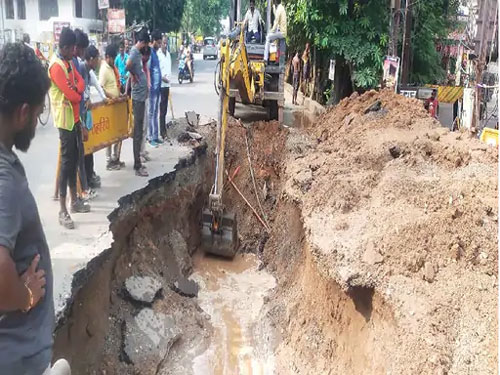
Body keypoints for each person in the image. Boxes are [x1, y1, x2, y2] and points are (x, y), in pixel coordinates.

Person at [0, 42, 71, 374]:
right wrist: (25, 296)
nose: (37, 122)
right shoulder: (4, 179)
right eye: (39, 113)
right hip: (18, 358)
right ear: (22, 113)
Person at [49, 27, 89, 229]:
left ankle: (75, 202)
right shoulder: (56, 66)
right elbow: (74, 95)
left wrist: (76, 90)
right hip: (64, 123)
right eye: (72, 47)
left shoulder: (68, 62)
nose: (75, 51)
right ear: (64, 47)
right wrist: (76, 92)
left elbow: (80, 84)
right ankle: (63, 210)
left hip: (74, 120)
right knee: (66, 167)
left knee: (73, 162)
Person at [73, 29, 98, 201]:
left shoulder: (75, 63)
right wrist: (81, 122)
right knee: (76, 157)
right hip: (72, 118)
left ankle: (83, 188)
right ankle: (79, 192)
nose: (83, 54)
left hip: (78, 114)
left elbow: (82, 92)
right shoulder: (75, 64)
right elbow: (77, 94)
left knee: (81, 154)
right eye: (82, 50)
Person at [81, 45, 108, 189]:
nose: (98, 62)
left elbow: (97, 85)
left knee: (89, 149)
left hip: (87, 115)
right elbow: (78, 95)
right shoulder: (80, 69)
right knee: (83, 151)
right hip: (80, 117)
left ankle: (90, 176)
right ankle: (84, 185)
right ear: (91, 59)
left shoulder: (88, 71)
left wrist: (103, 97)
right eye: (97, 59)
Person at [126, 28, 150, 177]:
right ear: (143, 42)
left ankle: (138, 162)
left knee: (140, 130)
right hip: (138, 98)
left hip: (141, 95)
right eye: (145, 44)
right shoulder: (134, 52)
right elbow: (128, 65)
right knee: (138, 130)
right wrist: (134, 75)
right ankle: (137, 165)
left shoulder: (137, 53)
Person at [100, 44, 125, 170]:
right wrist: (112, 97)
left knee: (118, 133)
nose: (113, 60)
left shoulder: (112, 68)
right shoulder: (104, 69)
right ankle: (109, 160)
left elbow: (116, 84)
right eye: (112, 58)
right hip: (110, 106)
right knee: (110, 135)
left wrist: (120, 95)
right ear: (107, 57)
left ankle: (116, 158)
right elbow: (101, 88)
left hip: (117, 105)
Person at [148, 30, 163, 147]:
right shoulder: (150, 54)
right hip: (152, 89)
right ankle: (151, 137)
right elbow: (148, 70)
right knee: (151, 112)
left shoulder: (155, 53)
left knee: (155, 112)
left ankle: (156, 136)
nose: (160, 45)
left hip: (157, 89)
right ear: (153, 41)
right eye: (158, 43)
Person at [158, 36, 172, 140]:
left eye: (166, 43)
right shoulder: (158, 55)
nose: (165, 45)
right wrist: (163, 78)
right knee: (159, 110)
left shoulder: (168, 55)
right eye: (163, 43)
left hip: (167, 85)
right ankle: (161, 132)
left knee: (164, 109)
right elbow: (156, 71)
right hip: (160, 85)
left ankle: (163, 131)